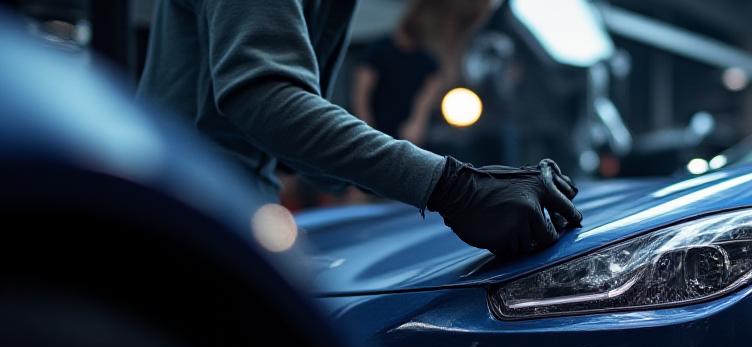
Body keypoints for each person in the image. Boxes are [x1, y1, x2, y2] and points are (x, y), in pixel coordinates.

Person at [138, 0, 580, 257]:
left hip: (227, 213)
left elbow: (296, 143)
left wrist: (428, 187)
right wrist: (454, 187)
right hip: (173, 218)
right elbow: (263, 99)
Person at [351, 1, 468, 144]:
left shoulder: (428, 61)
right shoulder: (377, 50)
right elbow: (361, 92)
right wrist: (365, 125)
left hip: (403, 133)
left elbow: (425, 98)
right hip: (374, 128)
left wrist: (416, 124)